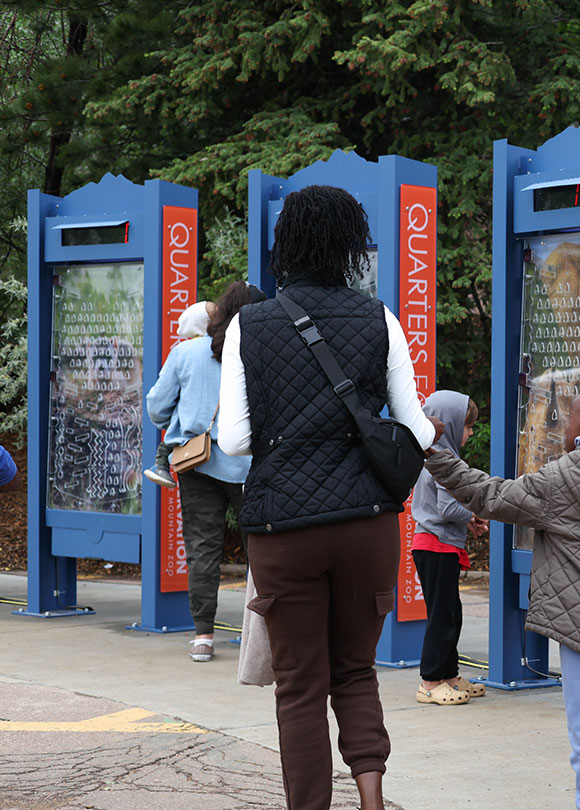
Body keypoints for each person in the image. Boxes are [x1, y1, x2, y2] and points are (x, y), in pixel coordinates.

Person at [217, 184, 435, 810]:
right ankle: (371, 799)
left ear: (284, 245)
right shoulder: (380, 318)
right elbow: (415, 427)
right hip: (367, 522)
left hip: (284, 525)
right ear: (349, 247)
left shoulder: (248, 325)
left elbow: (233, 440)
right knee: (355, 670)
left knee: (301, 685)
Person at [424, 385, 580, 810]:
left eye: (569, 419)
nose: (563, 426)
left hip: (578, 622)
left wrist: (434, 455)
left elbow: (489, 494)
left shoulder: (564, 479)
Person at [145, 285, 259, 663]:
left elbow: (157, 406)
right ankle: (258, 633)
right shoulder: (261, 353)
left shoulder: (187, 351)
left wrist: (180, 420)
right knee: (260, 550)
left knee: (201, 548)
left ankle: (203, 637)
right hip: (249, 464)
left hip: (197, 461)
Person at [410, 389, 486, 706]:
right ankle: (430, 681)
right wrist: (474, 513)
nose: (469, 433)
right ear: (452, 423)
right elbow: (446, 509)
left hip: (436, 544)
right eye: (467, 426)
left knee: (450, 613)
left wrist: (466, 520)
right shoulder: (444, 458)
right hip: (436, 545)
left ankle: (449, 675)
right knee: (442, 616)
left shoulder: (433, 452)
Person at [144, 301, 213, 488]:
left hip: (192, 451)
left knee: (201, 517)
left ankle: (161, 465)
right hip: (237, 453)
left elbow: (157, 403)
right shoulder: (233, 347)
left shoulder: (183, 352)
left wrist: (173, 425)